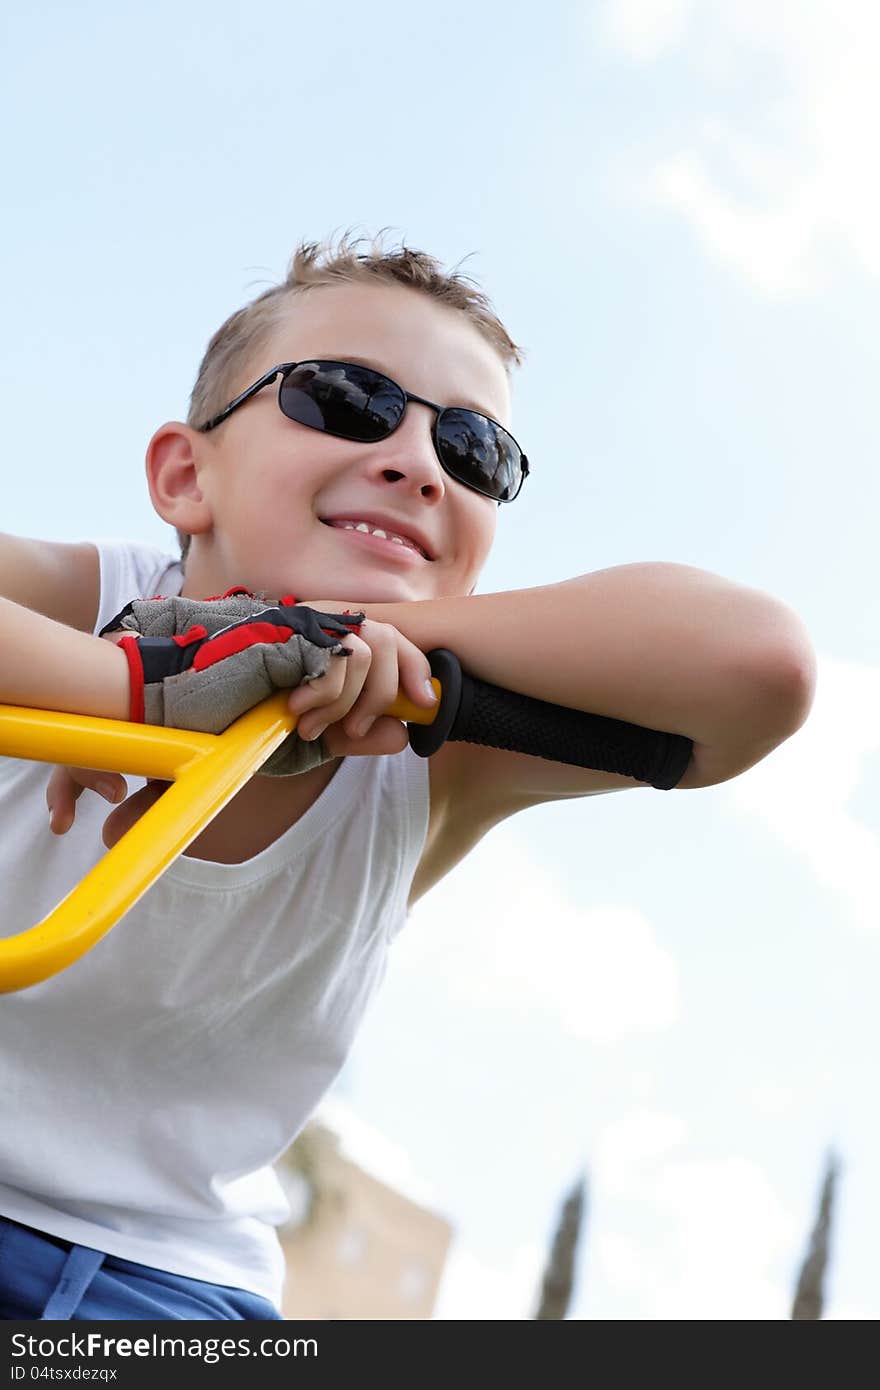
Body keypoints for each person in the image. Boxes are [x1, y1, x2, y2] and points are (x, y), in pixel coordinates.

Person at [0, 230, 816, 1320]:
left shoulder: (438, 745)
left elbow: (757, 664)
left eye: (475, 453)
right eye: (345, 398)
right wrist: (136, 682)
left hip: (168, 1291)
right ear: (186, 475)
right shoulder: (73, 593)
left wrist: (320, 635)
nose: (419, 462)